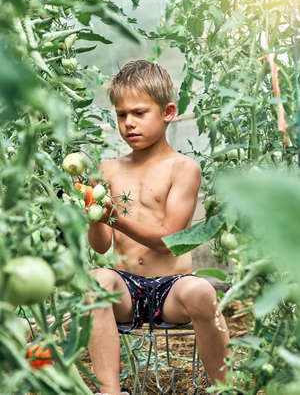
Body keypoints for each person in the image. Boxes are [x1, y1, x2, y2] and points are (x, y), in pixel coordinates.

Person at [87, 60, 231, 395]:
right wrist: (93, 214)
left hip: (173, 290)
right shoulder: (105, 170)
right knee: (96, 281)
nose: (128, 124)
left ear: (168, 112)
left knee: (202, 292)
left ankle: (225, 387)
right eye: (122, 115)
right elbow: (100, 245)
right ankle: (109, 391)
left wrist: (111, 213)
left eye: (139, 113)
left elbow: (170, 241)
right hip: (125, 288)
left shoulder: (183, 168)